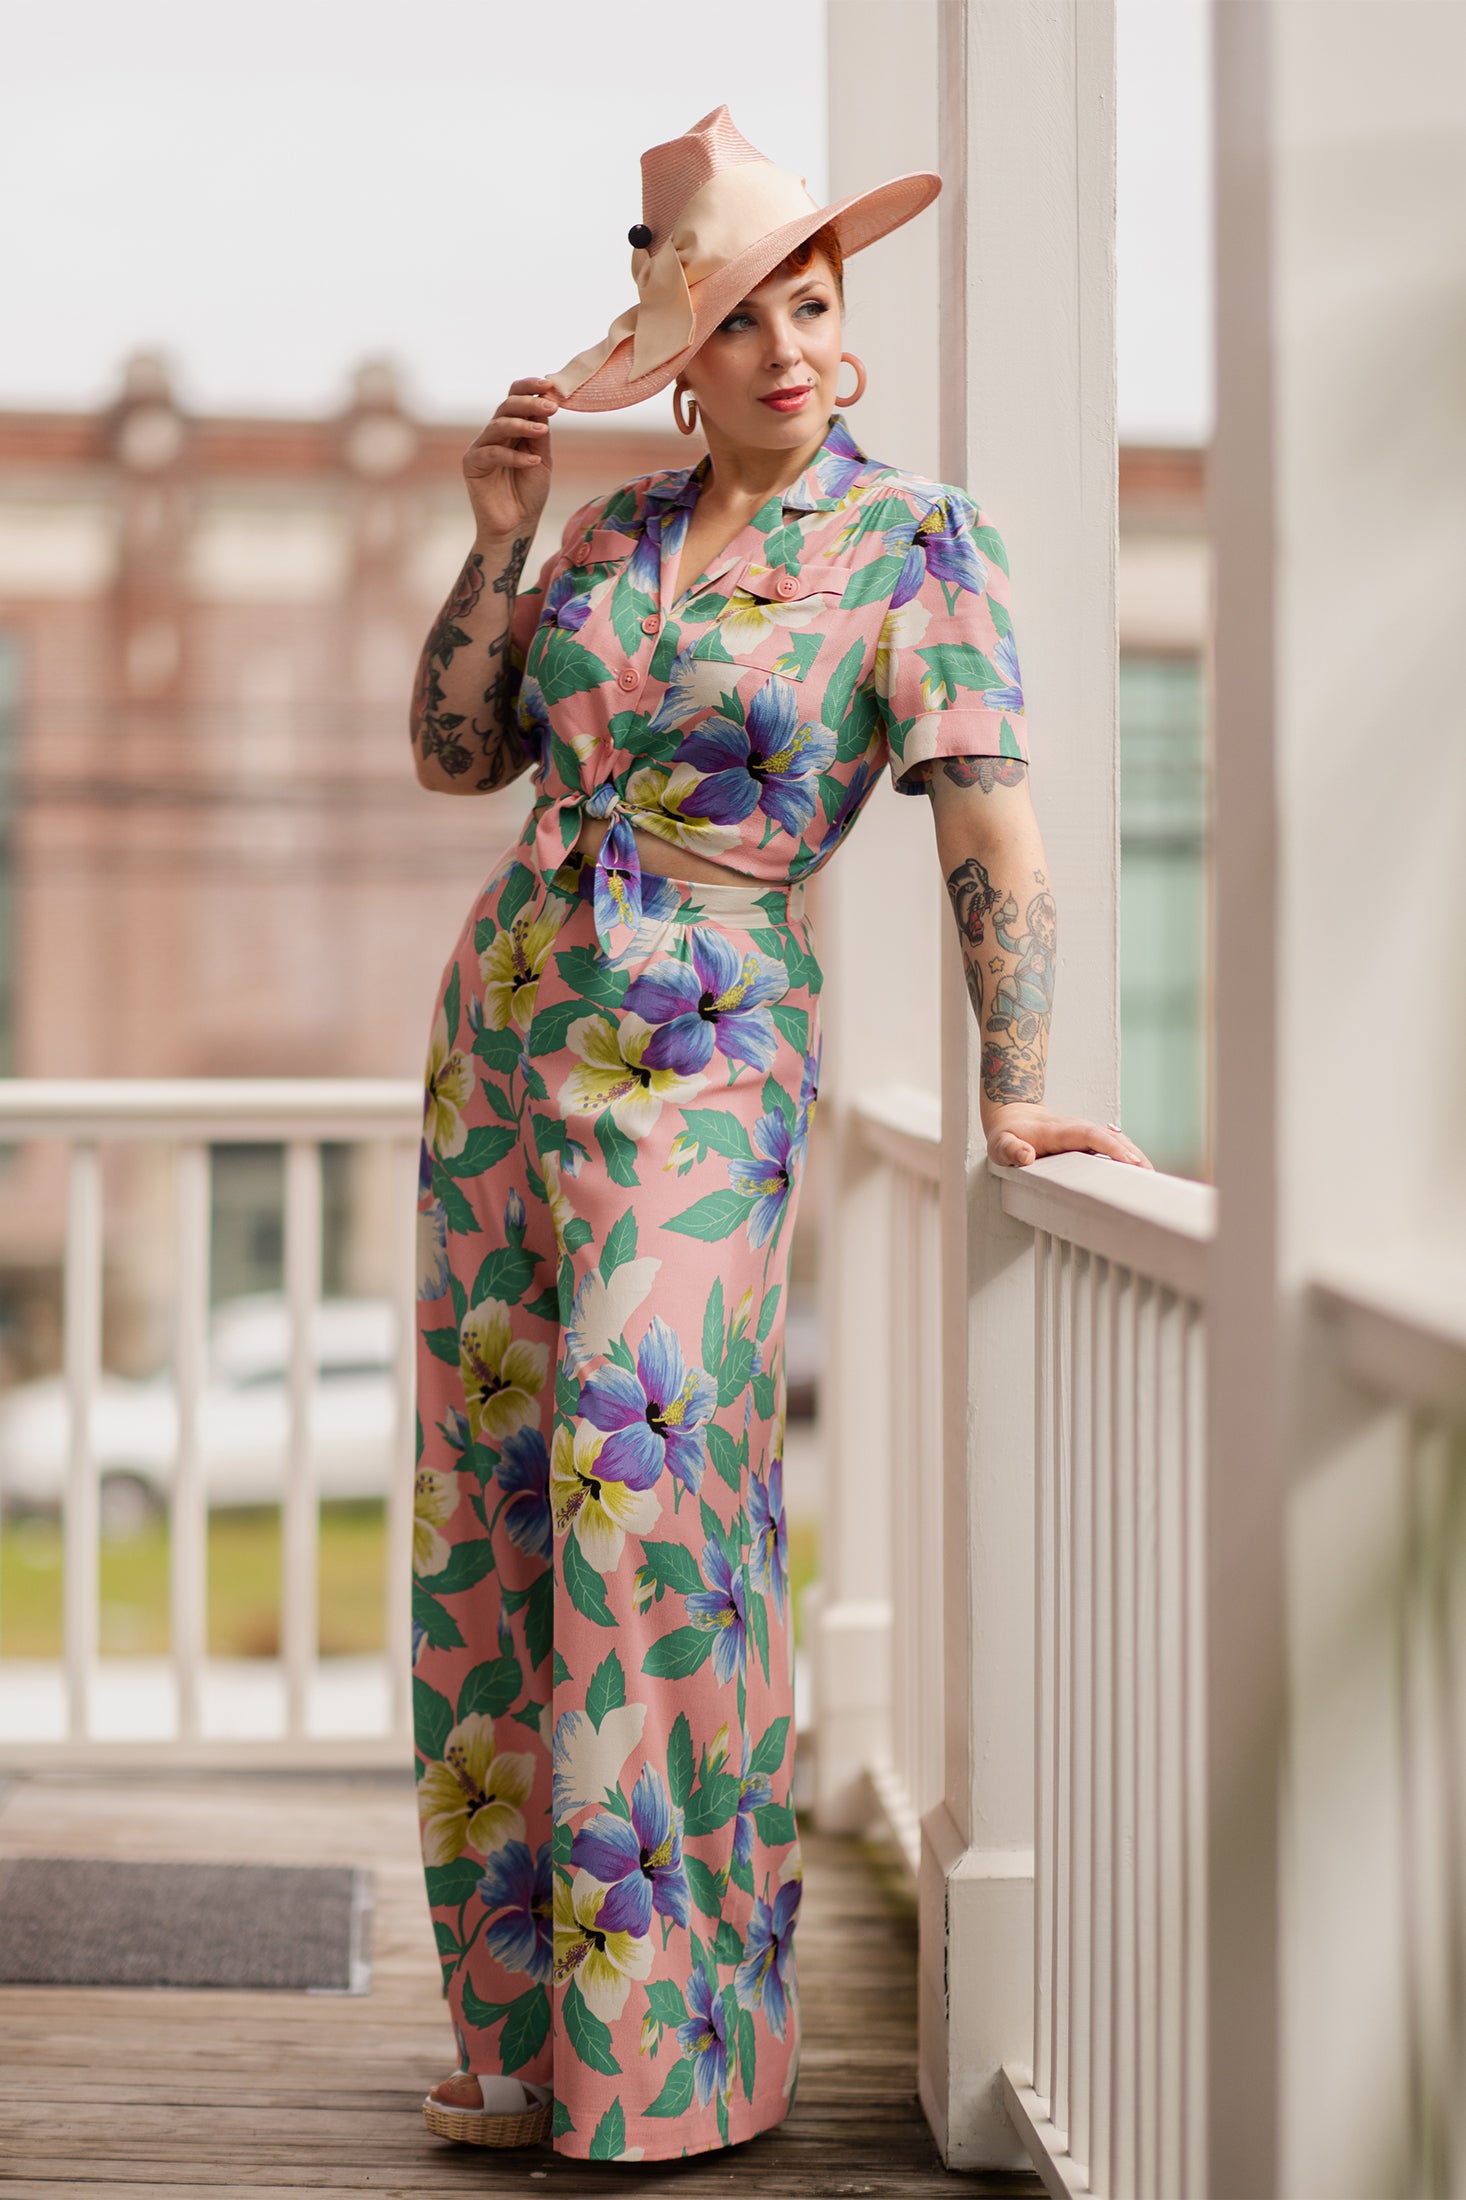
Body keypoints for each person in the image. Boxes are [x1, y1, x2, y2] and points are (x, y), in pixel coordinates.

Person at [406, 102, 1154, 2166]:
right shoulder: (607, 538)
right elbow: (458, 754)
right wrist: (495, 536)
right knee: (498, 1516)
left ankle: (663, 2057)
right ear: (681, 352)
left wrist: (1015, 1081)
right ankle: (519, 2036)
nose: (787, 350)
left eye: (809, 306)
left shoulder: (917, 542)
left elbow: (988, 815)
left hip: (709, 1048)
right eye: (739, 318)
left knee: (652, 1505)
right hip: (504, 1035)